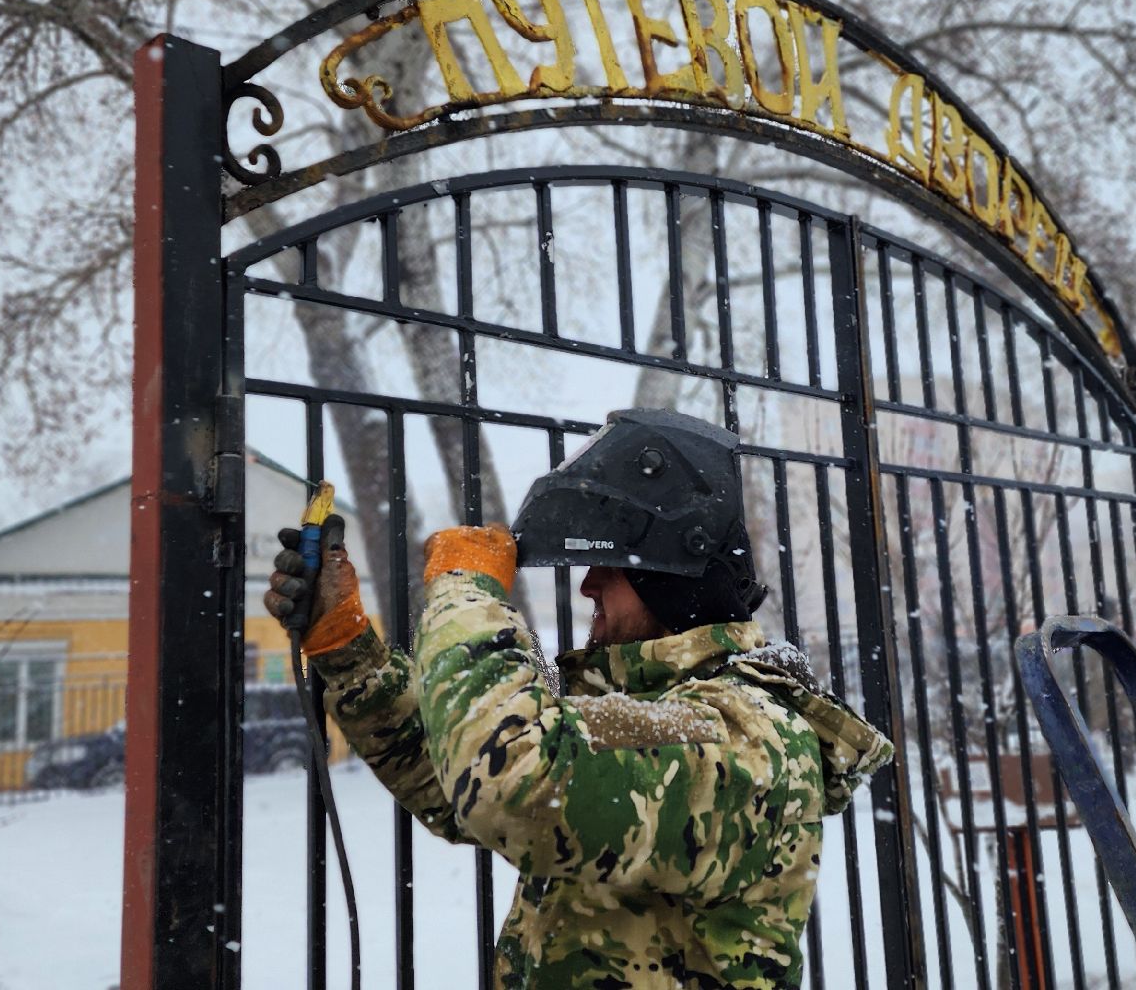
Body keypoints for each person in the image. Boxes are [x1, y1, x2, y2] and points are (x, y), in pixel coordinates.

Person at [264, 408, 891, 990]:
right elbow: (456, 779)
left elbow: (511, 782)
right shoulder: (653, 709)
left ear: (666, 582)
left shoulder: (750, 734)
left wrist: (465, 593)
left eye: (611, 567)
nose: (588, 584)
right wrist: (346, 646)